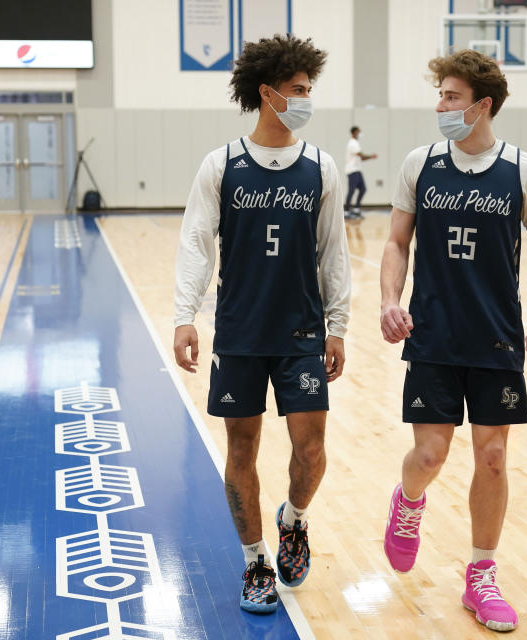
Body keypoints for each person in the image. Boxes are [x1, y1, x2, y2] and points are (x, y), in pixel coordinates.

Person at [379, 49, 527, 632]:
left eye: (451, 96)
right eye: (440, 95)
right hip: (432, 335)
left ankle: (481, 575)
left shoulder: (523, 171)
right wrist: (390, 300)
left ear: (482, 105)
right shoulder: (421, 163)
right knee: (430, 456)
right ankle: (408, 504)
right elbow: (395, 243)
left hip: (496, 342)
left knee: (491, 458)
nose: (441, 106)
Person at [173, 34, 351, 614]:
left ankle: (293, 520)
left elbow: (333, 253)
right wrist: (185, 317)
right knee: (242, 448)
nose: (306, 98)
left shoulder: (321, 167)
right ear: (269, 93)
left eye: (309, 89)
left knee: (312, 446)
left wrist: (338, 324)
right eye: (299, 89)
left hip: (301, 332)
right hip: (240, 334)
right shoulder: (220, 165)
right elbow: (197, 246)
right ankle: (254, 563)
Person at [344, 126, 377, 219]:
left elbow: (361, 158)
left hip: (357, 170)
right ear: (354, 133)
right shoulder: (352, 143)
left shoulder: (356, 143)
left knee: (363, 189)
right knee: (352, 190)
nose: (360, 134)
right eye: (359, 132)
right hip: (352, 170)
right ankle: (346, 211)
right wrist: (371, 155)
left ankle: (356, 209)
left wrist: (371, 157)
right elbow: (360, 155)